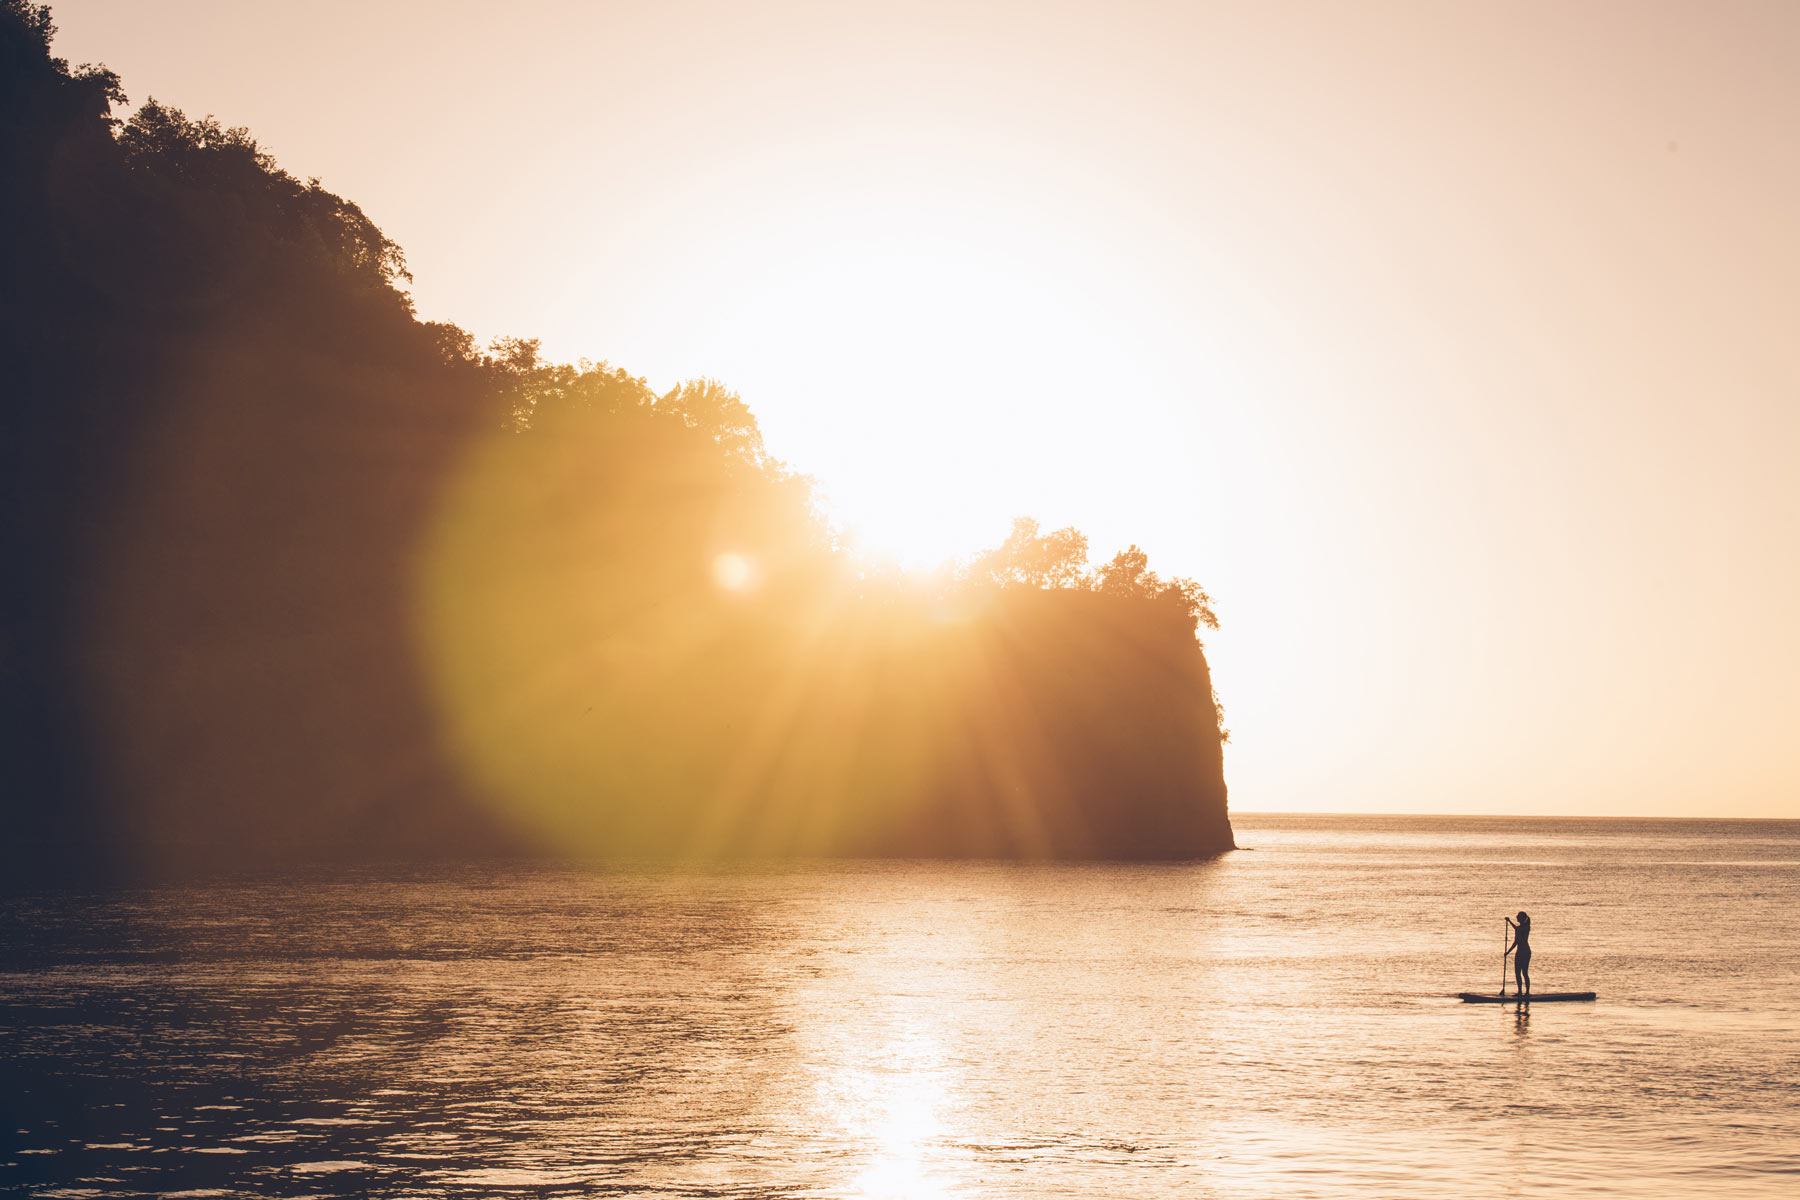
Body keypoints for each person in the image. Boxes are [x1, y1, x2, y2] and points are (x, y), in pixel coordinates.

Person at [1505, 911, 1532, 997]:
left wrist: (1509, 922)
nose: (1516, 917)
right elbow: (1516, 942)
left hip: (1525, 952)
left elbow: (1518, 929)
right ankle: (1520, 991)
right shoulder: (1518, 928)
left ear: (1522, 918)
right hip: (1519, 952)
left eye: (1518, 916)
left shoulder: (1526, 927)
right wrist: (1508, 952)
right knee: (1517, 972)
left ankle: (1527, 992)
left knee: (1524, 972)